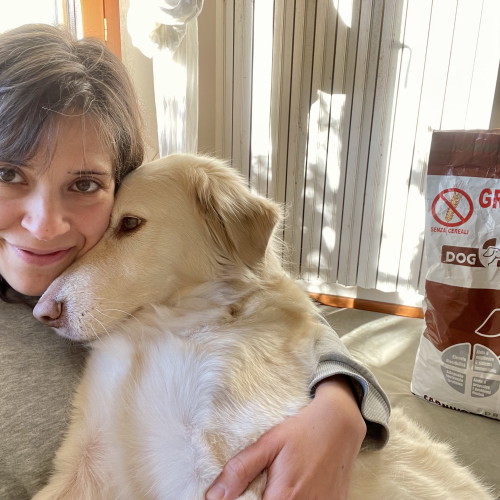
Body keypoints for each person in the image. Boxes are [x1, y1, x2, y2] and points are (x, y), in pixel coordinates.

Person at [0, 24, 390, 500]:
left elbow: (279, 306)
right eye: (8, 173)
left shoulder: (127, 278)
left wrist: (345, 395)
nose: (44, 225)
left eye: (84, 184)